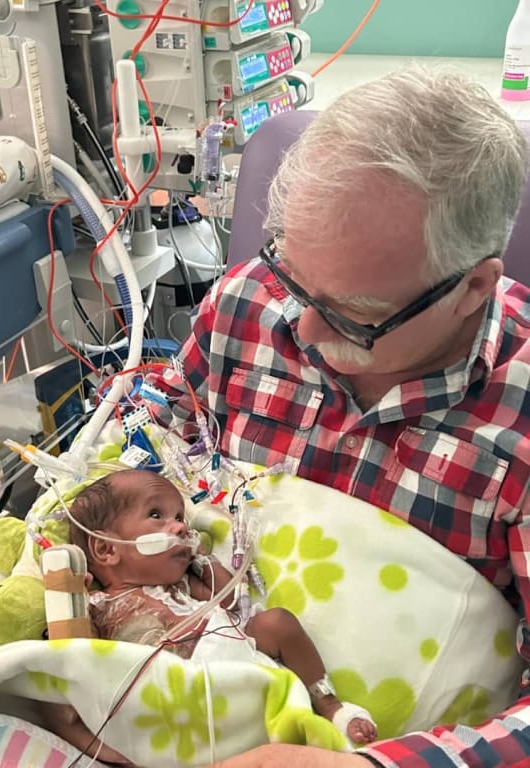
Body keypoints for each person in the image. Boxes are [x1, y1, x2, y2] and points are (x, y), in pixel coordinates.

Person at [145, 66, 530, 768]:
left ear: (475, 286)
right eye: (293, 277)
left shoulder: (519, 421)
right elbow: (158, 446)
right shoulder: (248, 303)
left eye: (357, 315)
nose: (301, 329)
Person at [67, 468, 377, 747]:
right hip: (179, 706)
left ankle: (330, 705)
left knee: (277, 623)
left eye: (180, 518)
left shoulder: (183, 585)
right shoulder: (98, 605)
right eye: (156, 515)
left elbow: (229, 600)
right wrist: (69, 591)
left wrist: (203, 558)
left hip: (232, 660)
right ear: (106, 549)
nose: (180, 528)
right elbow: (80, 657)